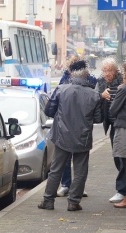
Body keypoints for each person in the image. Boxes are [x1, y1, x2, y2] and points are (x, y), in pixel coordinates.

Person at [38, 59, 103, 211]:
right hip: (83, 137)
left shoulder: (61, 89)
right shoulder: (94, 95)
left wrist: (62, 116)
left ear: (72, 75)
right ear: (87, 77)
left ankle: (48, 200)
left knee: (56, 169)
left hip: (62, 136)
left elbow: (48, 111)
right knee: (81, 170)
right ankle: (73, 202)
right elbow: (99, 119)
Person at [56, 56, 97, 197]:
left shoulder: (90, 80)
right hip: (73, 127)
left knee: (71, 162)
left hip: (75, 127)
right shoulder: (65, 79)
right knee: (73, 162)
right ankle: (67, 185)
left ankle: (74, 188)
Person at [95, 57, 124, 203]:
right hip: (112, 124)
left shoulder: (121, 81)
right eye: (104, 70)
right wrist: (101, 96)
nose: (107, 73)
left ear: (115, 70)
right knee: (116, 155)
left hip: (121, 124)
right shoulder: (101, 82)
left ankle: (122, 189)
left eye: (109, 70)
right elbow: (94, 98)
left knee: (121, 157)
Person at [109, 63, 126, 208]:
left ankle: (124, 196)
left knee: (123, 162)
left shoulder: (123, 89)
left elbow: (113, 109)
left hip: (123, 128)